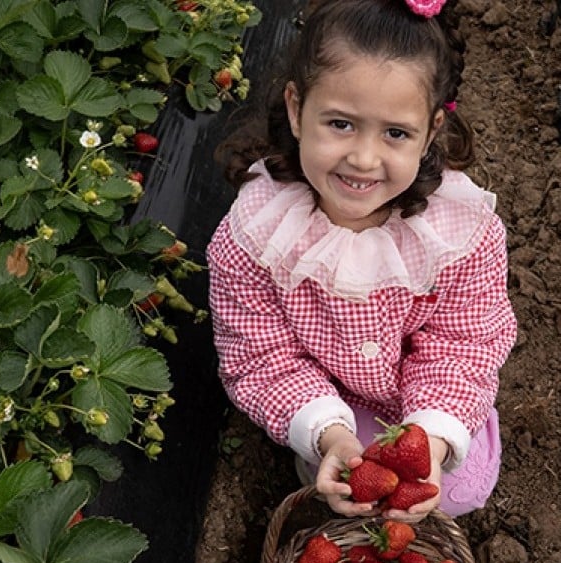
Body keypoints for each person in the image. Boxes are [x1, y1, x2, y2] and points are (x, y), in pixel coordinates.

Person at [207, 0, 516, 522]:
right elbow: (261, 356)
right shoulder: (255, 237)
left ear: (432, 131)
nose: (364, 158)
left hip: (423, 389)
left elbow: (464, 345)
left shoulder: (460, 234)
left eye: (395, 133)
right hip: (326, 394)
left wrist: (430, 440)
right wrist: (330, 434)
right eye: (341, 124)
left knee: (459, 491)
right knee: (352, 483)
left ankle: (442, 432)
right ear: (295, 109)